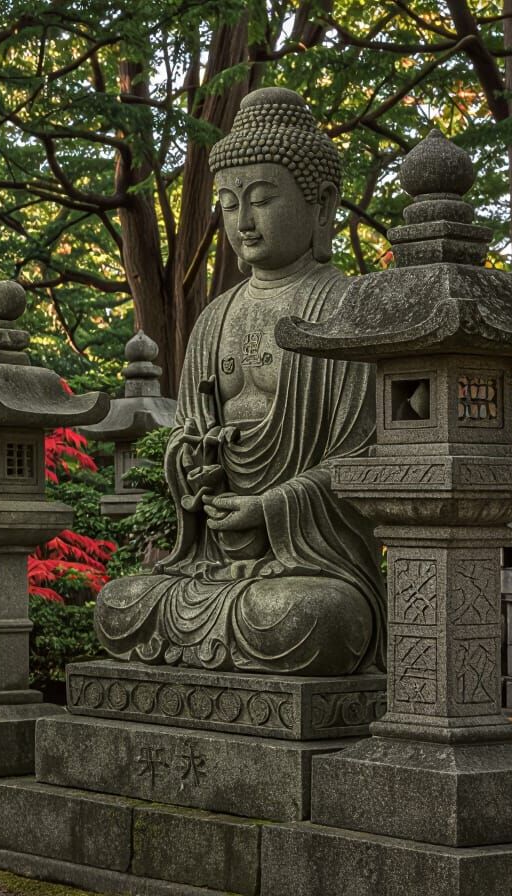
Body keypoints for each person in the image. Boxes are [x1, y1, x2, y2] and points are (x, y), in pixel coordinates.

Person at [95, 87, 385, 676]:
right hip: (211, 559)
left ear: (323, 204)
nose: (243, 223)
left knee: (308, 619)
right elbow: (189, 435)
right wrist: (193, 470)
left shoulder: (350, 310)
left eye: (262, 200)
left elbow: (362, 461)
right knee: (121, 605)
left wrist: (271, 506)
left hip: (308, 564)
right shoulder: (214, 318)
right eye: (228, 204)